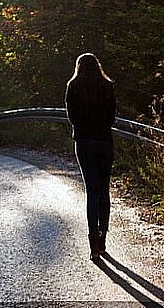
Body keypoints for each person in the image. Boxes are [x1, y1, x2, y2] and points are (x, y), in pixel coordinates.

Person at [65, 53, 116, 261]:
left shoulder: (73, 86)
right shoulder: (107, 86)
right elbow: (112, 117)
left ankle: (93, 242)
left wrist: (85, 126)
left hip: (84, 142)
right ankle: (103, 236)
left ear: (78, 67)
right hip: (104, 141)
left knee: (92, 191)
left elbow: (72, 117)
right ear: (98, 66)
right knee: (104, 190)